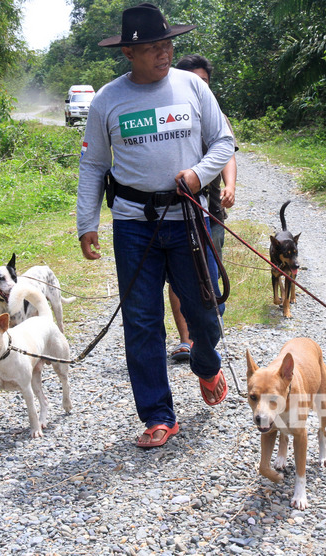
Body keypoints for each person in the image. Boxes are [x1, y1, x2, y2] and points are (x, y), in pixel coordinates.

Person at [76, 3, 235, 449]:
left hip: (186, 218)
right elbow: (92, 165)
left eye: (166, 44)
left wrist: (199, 175)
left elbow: (223, 142)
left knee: (205, 312)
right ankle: (158, 415)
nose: (163, 54)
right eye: (151, 48)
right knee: (142, 322)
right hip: (133, 225)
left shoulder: (192, 87)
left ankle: (206, 364)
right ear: (129, 53)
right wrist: (86, 222)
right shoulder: (108, 100)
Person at [168, 54, 238, 363]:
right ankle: (187, 341)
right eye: (193, 81)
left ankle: (207, 334)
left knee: (211, 278)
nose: (199, 87)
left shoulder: (216, 114)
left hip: (209, 212)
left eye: (204, 82)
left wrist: (230, 186)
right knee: (178, 279)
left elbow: (228, 153)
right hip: (174, 214)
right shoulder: (167, 113)